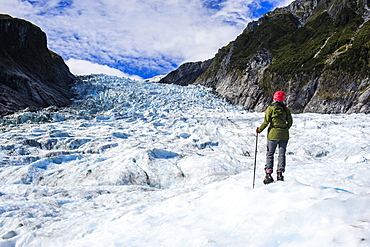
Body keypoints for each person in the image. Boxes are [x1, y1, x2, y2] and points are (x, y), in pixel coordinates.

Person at [256, 91, 293, 184]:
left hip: (273, 134)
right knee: (281, 154)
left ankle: (268, 174)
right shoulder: (286, 110)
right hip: (284, 135)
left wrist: (259, 130)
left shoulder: (270, 109)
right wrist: (284, 129)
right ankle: (280, 173)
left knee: (270, 154)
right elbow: (290, 122)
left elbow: (266, 122)